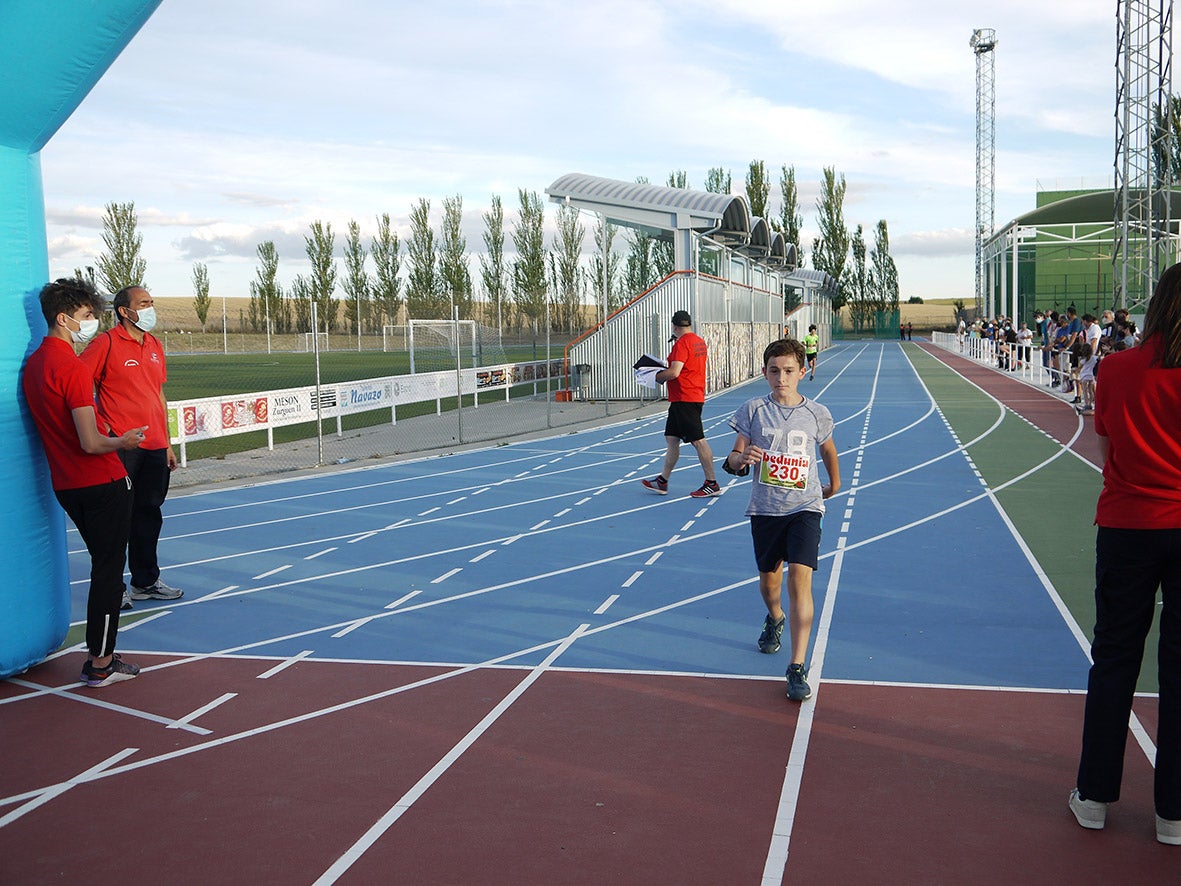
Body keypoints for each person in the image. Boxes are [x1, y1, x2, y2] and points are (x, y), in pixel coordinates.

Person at [1069, 261, 1181, 844]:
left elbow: (1106, 443)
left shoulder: (1116, 368)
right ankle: (1173, 814)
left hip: (1129, 523)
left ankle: (1094, 796)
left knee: (1114, 658)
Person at [22, 278, 146, 687]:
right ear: (63, 319)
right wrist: (123, 441)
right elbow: (90, 442)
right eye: (87, 316)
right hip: (102, 481)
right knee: (110, 574)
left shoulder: (35, 364)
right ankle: (101, 661)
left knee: (104, 569)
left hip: (67, 485)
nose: (92, 322)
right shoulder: (70, 367)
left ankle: (101, 653)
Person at [723, 339, 841, 702]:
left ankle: (796, 666)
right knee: (770, 585)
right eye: (774, 371)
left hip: (805, 506)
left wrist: (834, 484)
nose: (781, 377)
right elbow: (731, 460)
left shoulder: (817, 413)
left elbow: (827, 449)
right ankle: (774, 617)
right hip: (765, 509)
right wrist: (741, 461)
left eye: (789, 371)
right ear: (764, 372)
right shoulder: (753, 410)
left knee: (800, 581)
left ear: (802, 373)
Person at [80, 285, 182, 609]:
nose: (151, 308)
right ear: (124, 311)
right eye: (144, 303)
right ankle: (115, 587)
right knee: (117, 519)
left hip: (154, 446)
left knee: (149, 515)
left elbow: (159, 394)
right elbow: (79, 386)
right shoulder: (105, 344)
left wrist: (166, 442)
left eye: (152, 302)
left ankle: (146, 581)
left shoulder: (154, 344)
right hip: (123, 446)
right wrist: (104, 428)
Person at [640, 310, 720, 498]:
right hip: (684, 398)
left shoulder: (682, 344)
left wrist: (654, 377)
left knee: (698, 440)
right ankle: (662, 480)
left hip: (686, 397)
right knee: (672, 439)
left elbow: (675, 372)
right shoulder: (698, 341)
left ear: (675, 327)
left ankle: (712, 482)